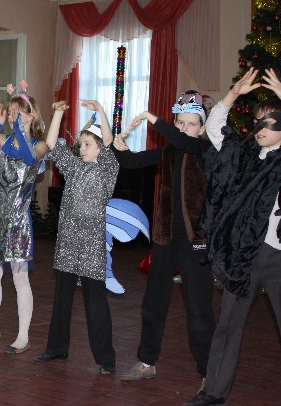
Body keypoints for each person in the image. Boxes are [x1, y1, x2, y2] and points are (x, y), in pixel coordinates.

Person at [185, 68, 281, 405]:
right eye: (258, 122)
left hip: (280, 255)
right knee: (228, 324)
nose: (261, 128)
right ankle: (213, 391)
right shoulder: (244, 155)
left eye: (270, 122)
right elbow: (215, 128)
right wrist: (233, 93)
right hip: (243, 256)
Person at [112, 91, 216, 386]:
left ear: (202, 128)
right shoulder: (169, 152)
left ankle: (209, 372)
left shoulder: (207, 150)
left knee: (199, 309)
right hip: (166, 238)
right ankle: (147, 361)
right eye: (180, 123)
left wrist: (152, 118)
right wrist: (118, 148)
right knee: (153, 302)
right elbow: (131, 162)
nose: (184, 129)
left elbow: (185, 142)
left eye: (191, 124)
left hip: (197, 241)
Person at [34, 99, 118, 374]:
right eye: (80, 144)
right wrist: (57, 113)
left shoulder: (107, 169)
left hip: (91, 246)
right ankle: (57, 347)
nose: (81, 148)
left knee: (96, 303)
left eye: (87, 144)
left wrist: (101, 112)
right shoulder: (74, 167)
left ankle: (106, 358)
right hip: (68, 243)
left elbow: (109, 141)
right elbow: (51, 143)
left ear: (100, 148)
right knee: (62, 298)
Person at [0, 83, 49, 354]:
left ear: (32, 115)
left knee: (19, 277)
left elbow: (28, 159)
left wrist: (19, 131)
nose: (14, 116)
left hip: (18, 223)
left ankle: (23, 336)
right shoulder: (3, 141)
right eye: (11, 112)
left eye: (19, 112)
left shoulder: (40, 146)